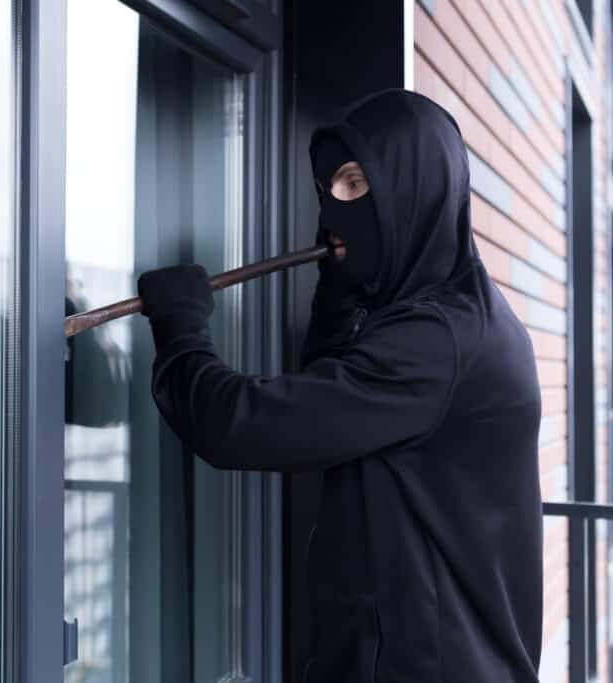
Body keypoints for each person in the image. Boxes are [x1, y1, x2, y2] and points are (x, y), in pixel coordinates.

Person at [136, 89, 543, 682]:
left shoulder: (438, 339)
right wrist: (339, 293)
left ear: (412, 191)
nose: (331, 209)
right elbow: (331, 406)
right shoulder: (455, 315)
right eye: (327, 188)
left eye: (354, 184)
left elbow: (243, 427)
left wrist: (180, 329)